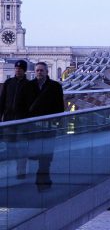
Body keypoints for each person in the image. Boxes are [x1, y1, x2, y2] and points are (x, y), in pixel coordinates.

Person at [19, 62, 64, 191]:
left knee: (46, 155)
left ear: (47, 72)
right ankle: (40, 177)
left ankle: (42, 180)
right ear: (35, 71)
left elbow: (60, 107)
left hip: (48, 126)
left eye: (42, 70)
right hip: (32, 126)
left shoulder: (55, 87)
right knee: (36, 153)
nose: (39, 72)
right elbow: (20, 106)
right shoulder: (27, 86)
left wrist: (56, 122)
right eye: (37, 70)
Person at [0, 60, 29, 179]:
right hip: (9, 120)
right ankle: (10, 170)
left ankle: (20, 171)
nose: (18, 70)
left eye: (20, 68)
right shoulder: (8, 82)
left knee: (21, 147)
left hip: (22, 120)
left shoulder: (29, 85)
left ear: (24, 70)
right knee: (9, 146)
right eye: (16, 68)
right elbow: (2, 101)